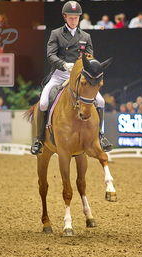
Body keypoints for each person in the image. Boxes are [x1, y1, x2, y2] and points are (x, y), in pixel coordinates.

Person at [31, 1, 112, 155]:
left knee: (100, 101)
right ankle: (39, 140)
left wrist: (81, 67)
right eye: (71, 17)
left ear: (79, 18)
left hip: (79, 76)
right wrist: (64, 64)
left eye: (76, 17)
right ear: (65, 17)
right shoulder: (56, 34)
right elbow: (50, 55)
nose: (73, 20)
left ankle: (101, 137)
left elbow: (89, 57)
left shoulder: (85, 36)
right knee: (43, 102)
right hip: (59, 74)